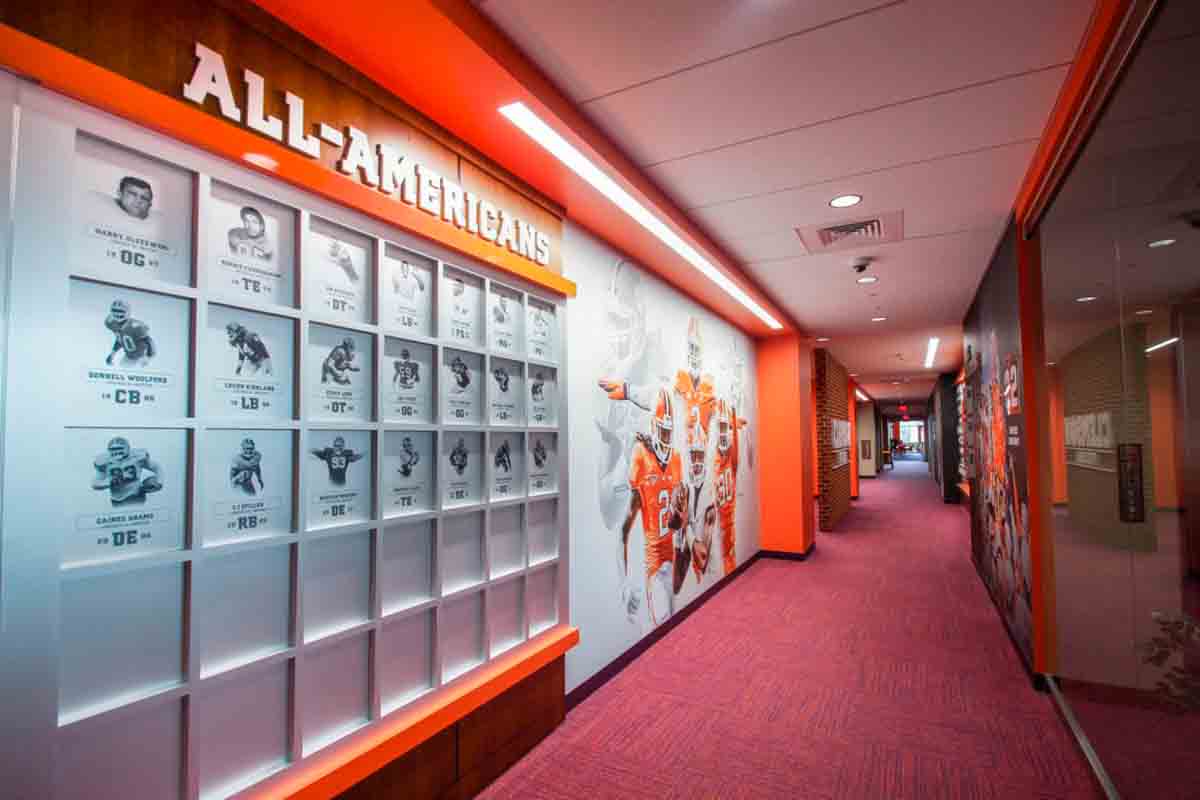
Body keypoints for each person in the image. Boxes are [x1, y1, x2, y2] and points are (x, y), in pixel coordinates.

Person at [619, 388, 688, 626]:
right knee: (663, 620)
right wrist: (625, 581)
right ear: (654, 426)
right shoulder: (641, 457)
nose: (666, 439)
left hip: (673, 556)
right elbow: (623, 530)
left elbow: (678, 522)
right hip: (654, 562)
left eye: (670, 433)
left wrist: (681, 522)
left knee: (673, 620)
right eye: (663, 432)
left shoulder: (676, 459)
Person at [92, 436, 162, 506]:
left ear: (128, 448)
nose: (117, 451)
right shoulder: (104, 461)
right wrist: (111, 482)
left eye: (119, 448)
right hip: (117, 500)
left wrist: (159, 481)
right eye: (113, 449)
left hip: (137, 496)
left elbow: (157, 468)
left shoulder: (137, 457)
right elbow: (95, 483)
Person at [104, 299, 155, 367]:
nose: (117, 313)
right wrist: (113, 353)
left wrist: (148, 357)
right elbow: (120, 339)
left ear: (127, 312)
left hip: (141, 357)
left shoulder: (136, 326)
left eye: (120, 311)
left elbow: (149, 342)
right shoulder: (112, 323)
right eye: (115, 310)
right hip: (128, 357)